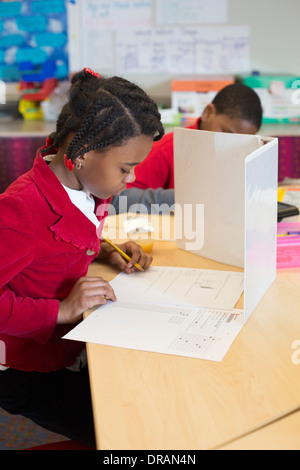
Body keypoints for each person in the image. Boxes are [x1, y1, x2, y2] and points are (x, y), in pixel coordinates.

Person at [0, 68, 164, 448]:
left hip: (70, 346)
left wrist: (109, 248)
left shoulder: (83, 186)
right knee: (129, 434)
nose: (134, 178)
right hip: (25, 368)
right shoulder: (19, 211)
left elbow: (61, 241)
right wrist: (59, 311)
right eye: (126, 168)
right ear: (83, 154)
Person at [110, 83, 262, 214]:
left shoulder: (238, 154)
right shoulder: (165, 150)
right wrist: (189, 199)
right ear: (208, 113)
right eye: (227, 133)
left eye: (243, 141)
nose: (232, 145)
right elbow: (119, 200)